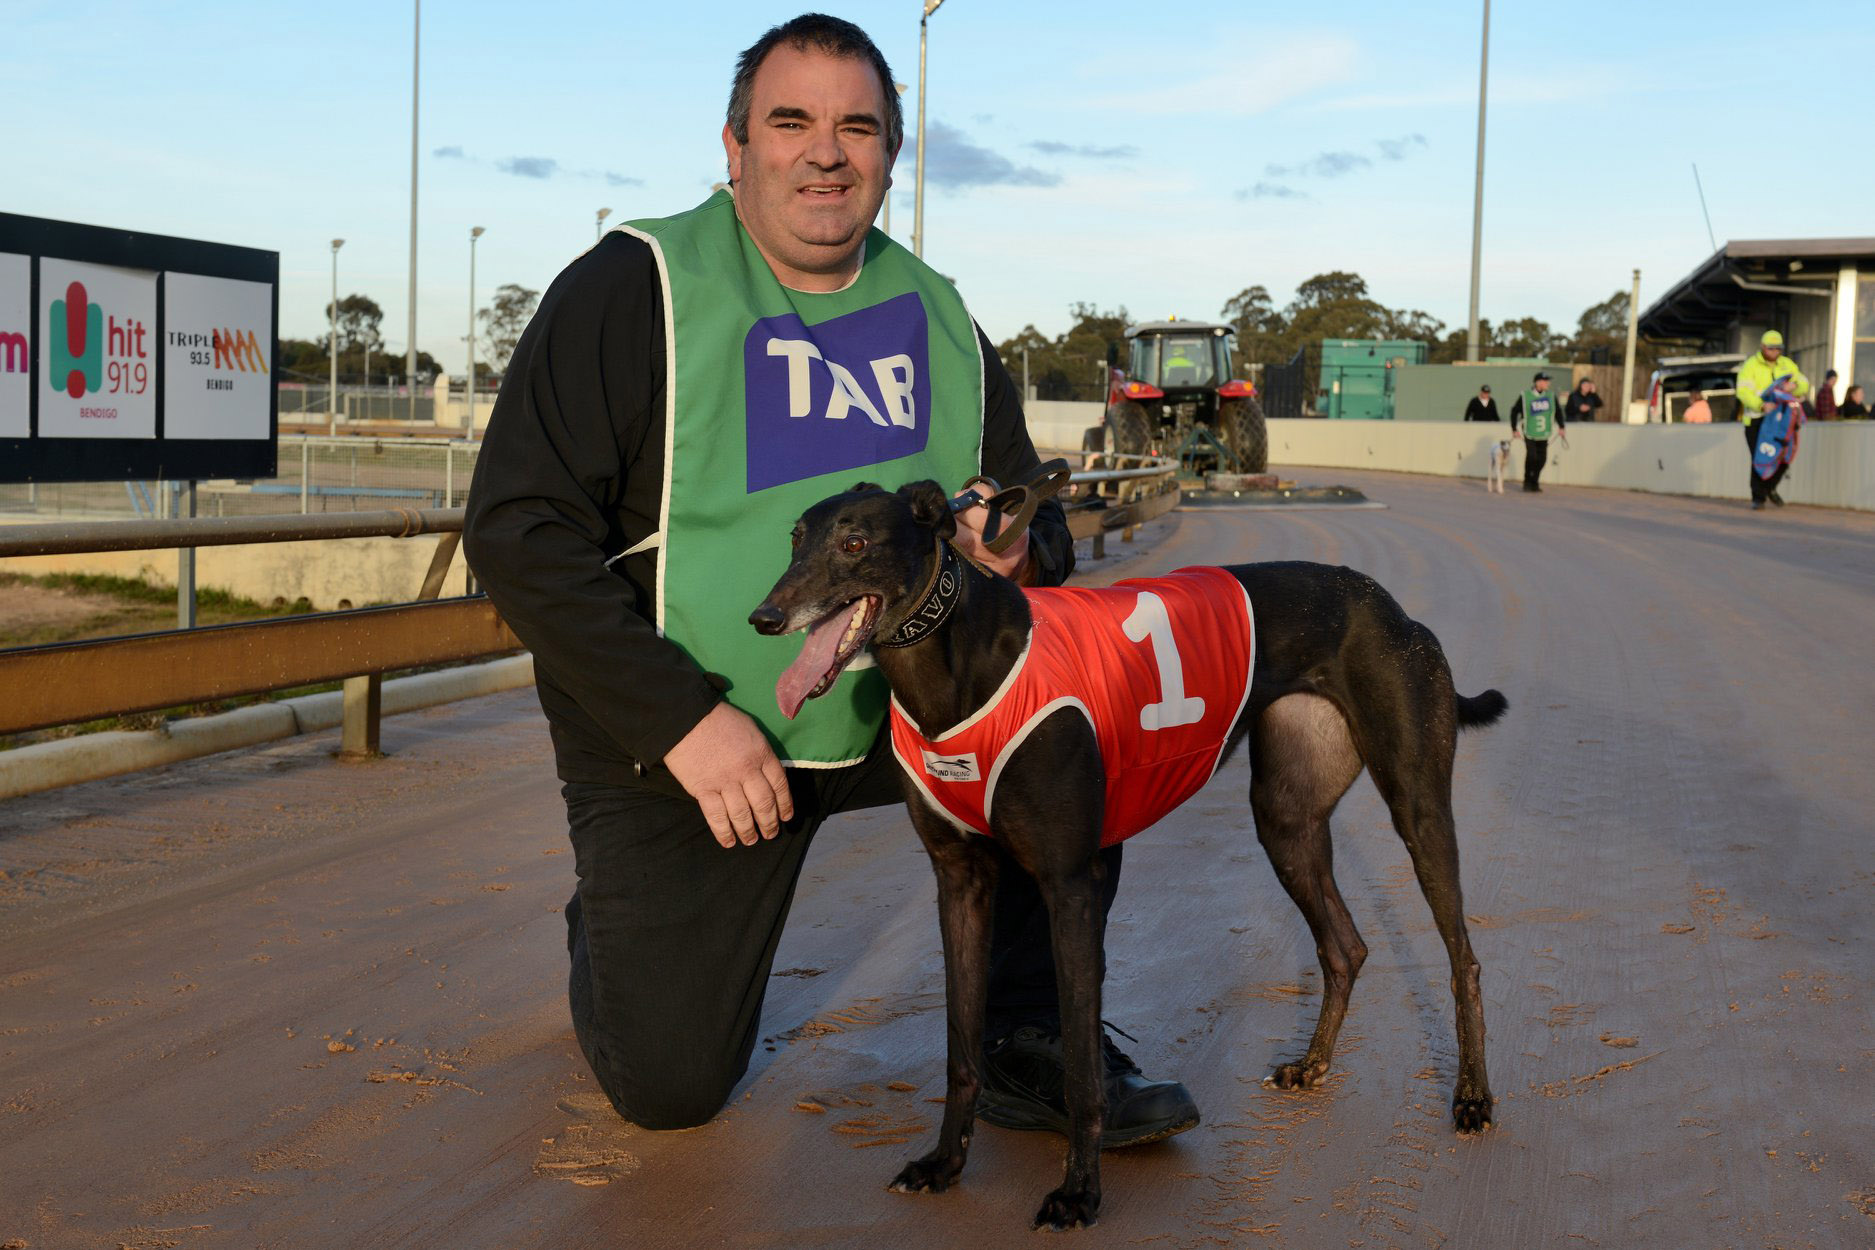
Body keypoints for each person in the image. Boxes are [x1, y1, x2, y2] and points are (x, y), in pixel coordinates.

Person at [462, 14, 1198, 1148]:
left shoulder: (943, 317)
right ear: (735, 145)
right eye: (790, 121)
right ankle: (613, 922)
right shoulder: (632, 284)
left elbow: (1033, 534)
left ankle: (1028, 1030)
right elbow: (517, 530)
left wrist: (1017, 550)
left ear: (890, 159)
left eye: (858, 126)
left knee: (1061, 719)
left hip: (903, 719)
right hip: (701, 728)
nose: (825, 151)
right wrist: (681, 723)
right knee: (669, 1087)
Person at [1734, 330, 1809, 509]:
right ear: (1762, 347)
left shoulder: (1787, 364)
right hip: (1757, 419)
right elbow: (1742, 392)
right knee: (1761, 456)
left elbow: (1804, 383)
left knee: (1784, 456)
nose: (1775, 352)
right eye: (1771, 348)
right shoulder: (1750, 365)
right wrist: (1761, 405)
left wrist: (1795, 386)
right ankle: (1758, 497)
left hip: (1782, 420)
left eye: (1778, 348)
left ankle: (1770, 488)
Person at [1509, 370, 1566, 492]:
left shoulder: (1550, 395)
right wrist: (1514, 429)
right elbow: (1514, 411)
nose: (1548, 383)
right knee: (1532, 456)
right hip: (1530, 432)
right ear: (1538, 382)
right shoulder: (1526, 395)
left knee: (1542, 459)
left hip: (1544, 433)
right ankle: (1527, 481)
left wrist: (1562, 427)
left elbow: (1558, 412)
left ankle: (1534, 481)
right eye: (1546, 381)